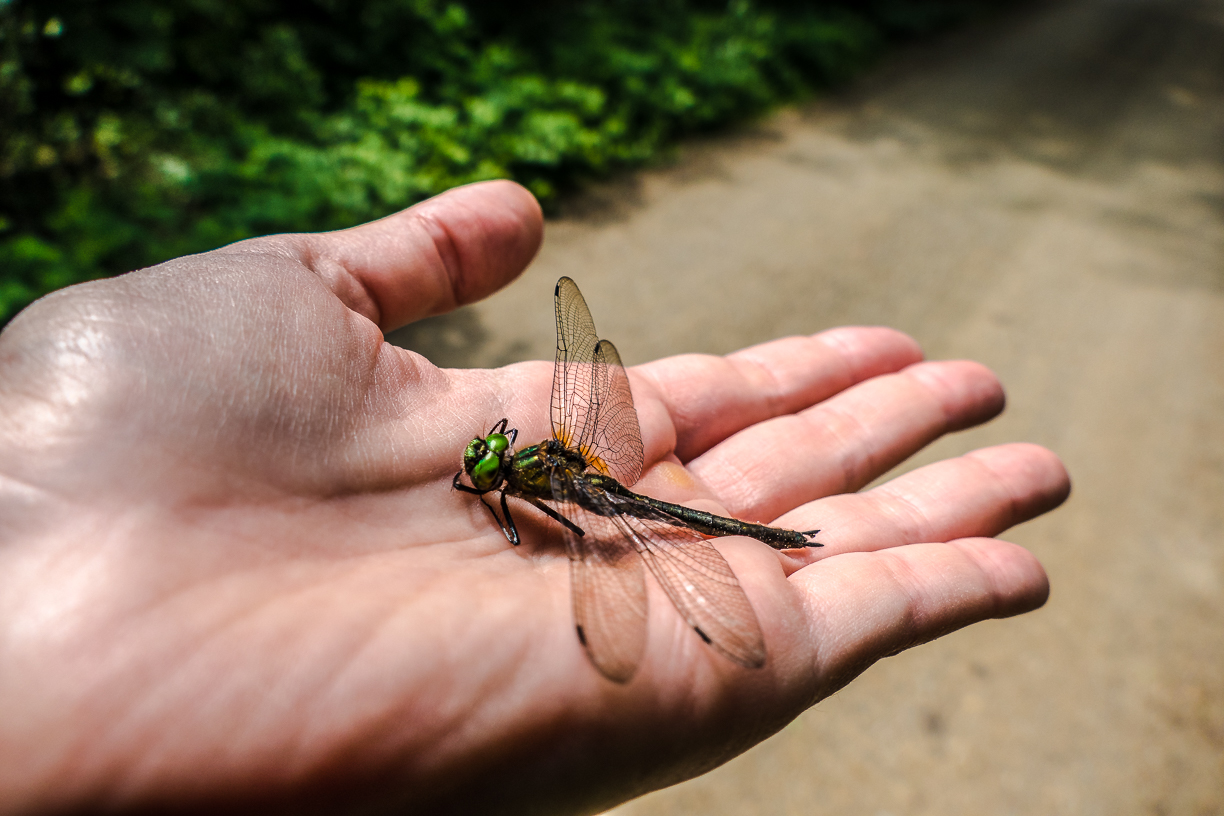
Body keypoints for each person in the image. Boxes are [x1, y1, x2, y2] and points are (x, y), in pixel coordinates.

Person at [0, 180, 1068, 814]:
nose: (483, 466)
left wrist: (539, 525)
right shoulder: (523, 468)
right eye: (489, 466)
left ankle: (769, 533)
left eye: (489, 465)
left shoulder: (534, 493)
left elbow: (543, 519)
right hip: (595, 486)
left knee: (670, 526)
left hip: (650, 511)